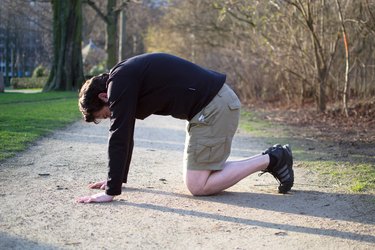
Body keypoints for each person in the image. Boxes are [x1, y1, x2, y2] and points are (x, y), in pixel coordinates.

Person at [76, 53, 294, 203]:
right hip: (210, 108)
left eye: (106, 114)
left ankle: (273, 158)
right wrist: (117, 179)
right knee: (199, 179)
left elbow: (119, 134)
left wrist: (111, 191)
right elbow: (126, 131)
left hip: (214, 108)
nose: (111, 116)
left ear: (103, 96)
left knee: (198, 185)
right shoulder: (122, 78)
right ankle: (274, 157)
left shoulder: (119, 83)